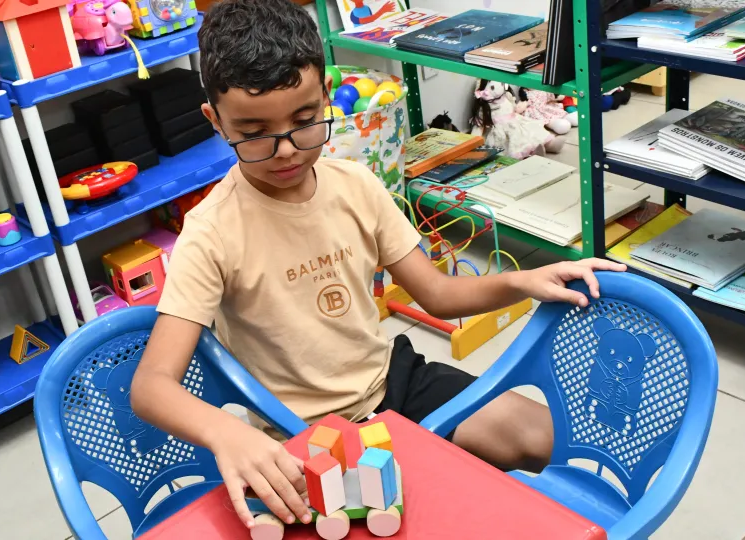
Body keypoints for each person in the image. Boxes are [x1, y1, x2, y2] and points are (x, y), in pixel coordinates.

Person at [130, 0, 626, 532]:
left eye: (304, 121)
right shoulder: (210, 231)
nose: (286, 151)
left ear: (326, 97)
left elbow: (437, 294)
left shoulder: (356, 185)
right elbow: (152, 386)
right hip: (297, 435)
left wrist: (523, 282)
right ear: (215, 121)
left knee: (555, 439)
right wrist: (229, 434)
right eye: (254, 133)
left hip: (395, 385)